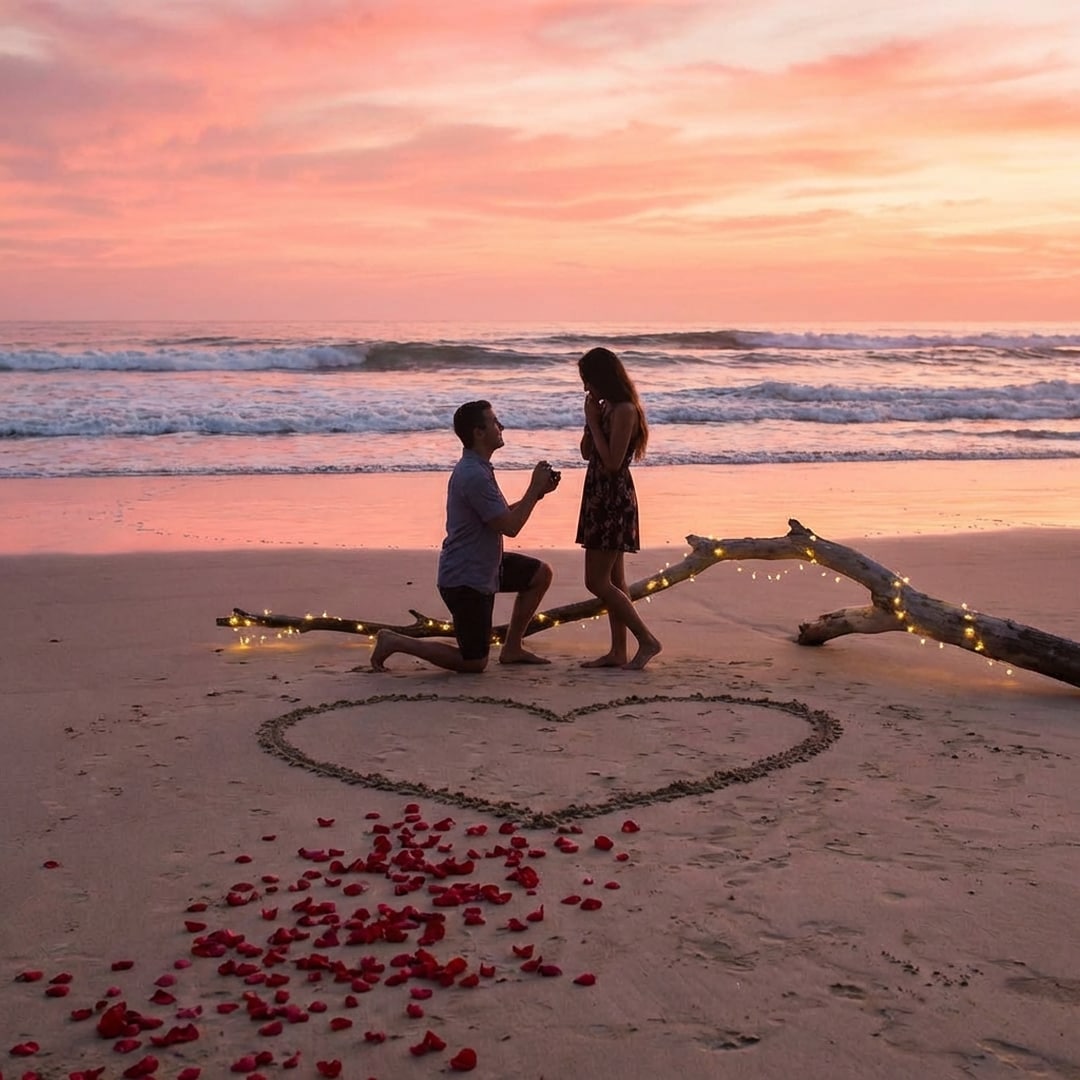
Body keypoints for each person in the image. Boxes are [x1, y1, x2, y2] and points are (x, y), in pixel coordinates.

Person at [371, 399, 560, 673]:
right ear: (478, 433)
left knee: (540, 574)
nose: (501, 426)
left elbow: (500, 515)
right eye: (495, 422)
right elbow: (510, 527)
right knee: (473, 662)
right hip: (465, 579)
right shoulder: (474, 475)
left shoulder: (479, 468)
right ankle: (395, 641)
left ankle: (513, 647)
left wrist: (537, 495)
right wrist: (533, 489)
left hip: (486, 565)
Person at [576, 347, 662, 670]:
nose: (586, 388)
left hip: (613, 497)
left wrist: (595, 425)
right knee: (614, 578)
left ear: (602, 378)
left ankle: (647, 640)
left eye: (588, 381)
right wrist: (590, 423)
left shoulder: (625, 409)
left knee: (596, 582)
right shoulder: (605, 408)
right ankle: (617, 650)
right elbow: (587, 453)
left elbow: (613, 463)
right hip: (597, 494)